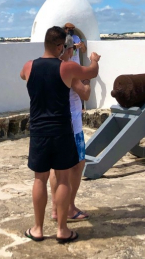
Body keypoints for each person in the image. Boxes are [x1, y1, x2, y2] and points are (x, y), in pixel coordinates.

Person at [20, 26, 101, 244]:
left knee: (40, 179)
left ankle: (37, 228)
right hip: (61, 130)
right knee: (63, 178)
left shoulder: (29, 66)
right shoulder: (66, 68)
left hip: (38, 131)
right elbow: (91, 72)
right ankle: (62, 229)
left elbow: (22, 76)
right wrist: (94, 59)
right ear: (60, 46)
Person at [50, 35, 91, 222]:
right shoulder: (69, 71)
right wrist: (88, 80)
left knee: (55, 168)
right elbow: (85, 94)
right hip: (72, 125)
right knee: (77, 165)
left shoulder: (47, 69)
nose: (73, 52)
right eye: (72, 49)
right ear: (66, 50)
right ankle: (69, 207)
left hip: (53, 125)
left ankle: (55, 208)